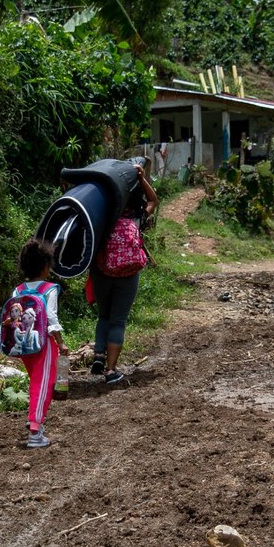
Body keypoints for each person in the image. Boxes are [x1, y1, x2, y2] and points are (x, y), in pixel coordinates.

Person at [0, 239, 68, 448]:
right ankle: (35, 430)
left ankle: (36, 424)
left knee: (36, 381)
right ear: (46, 267)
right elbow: (51, 317)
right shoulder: (49, 289)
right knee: (44, 384)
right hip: (44, 344)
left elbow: (8, 318)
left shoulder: (19, 290)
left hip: (24, 347)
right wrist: (60, 343)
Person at [90, 162, 157, 384]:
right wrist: (141, 178)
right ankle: (110, 371)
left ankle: (98, 355)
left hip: (102, 272)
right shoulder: (136, 218)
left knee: (104, 316)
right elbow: (153, 201)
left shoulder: (102, 218)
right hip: (128, 274)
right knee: (118, 321)